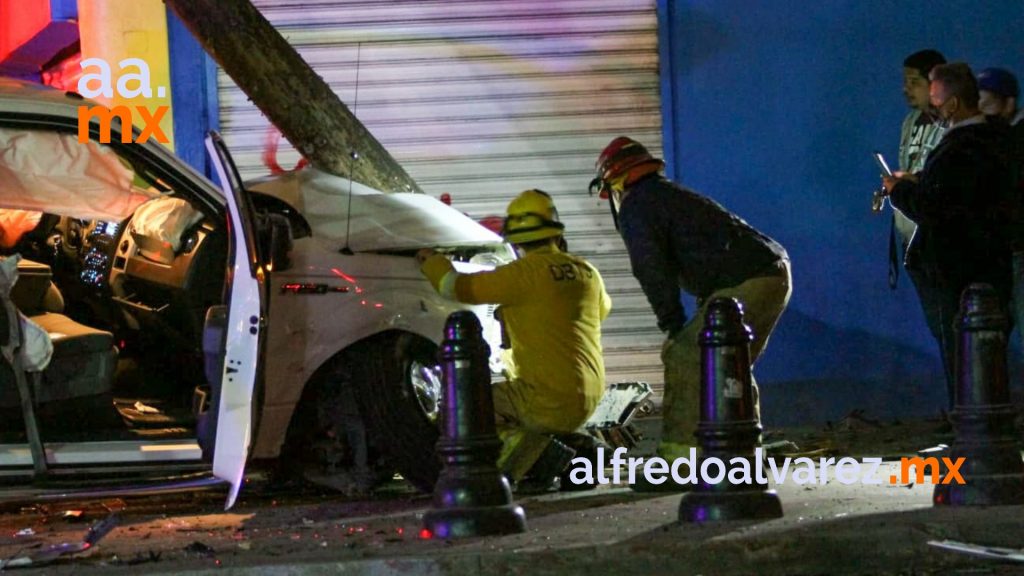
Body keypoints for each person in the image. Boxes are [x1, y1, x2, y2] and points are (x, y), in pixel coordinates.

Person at [590, 137, 791, 486]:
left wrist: (672, 324)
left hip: (748, 280)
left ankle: (679, 464)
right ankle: (740, 457)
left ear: (617, 184)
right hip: (771, 273)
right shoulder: (669, 196)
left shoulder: (638, 206)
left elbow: (651, 269)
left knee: (686, 356)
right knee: (729, 364)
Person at [417, 189, 611, 490]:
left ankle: (538, 459)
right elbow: (601, 311)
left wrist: (430, 259)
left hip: (546, 398)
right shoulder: (587, 272)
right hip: (589, 394)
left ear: (516, 241)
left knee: (460, 410)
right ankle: (581, 447)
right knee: (525, 402)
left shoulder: (523, 274)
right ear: (554, 233)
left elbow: (455, 287)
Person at [882, 62, 1016, 410]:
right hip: (992, 265)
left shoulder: (960, 147)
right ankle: (987, 423)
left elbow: (936, 208)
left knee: (962, 354)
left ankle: (970, 424)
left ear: (954, 105)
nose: (934, 109)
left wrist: (899, 191)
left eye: (938, 103)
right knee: (987, 352)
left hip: (956, 270)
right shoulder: (1000, 140)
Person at [888, 49, 947, 289]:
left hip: (936, 235)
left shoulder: (950, 123)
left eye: (914, 83)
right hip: (909, 231)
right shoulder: (910, 121)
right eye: (905, 83)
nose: (906, 89)